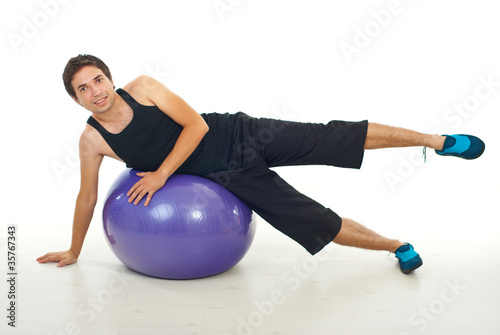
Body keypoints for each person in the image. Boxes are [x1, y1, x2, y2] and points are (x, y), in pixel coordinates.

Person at [37, 54, 485, 274]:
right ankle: (397, 246)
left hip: (241, 133)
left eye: (98, 79)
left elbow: (195, 126)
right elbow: (88, 196)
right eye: (83, 88)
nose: (96, 90)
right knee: (312, 220)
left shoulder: (144, 87)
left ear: (110, 78)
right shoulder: (92, 140)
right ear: (74, 99)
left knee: (333, 137)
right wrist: (75, 250)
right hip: (227, 177)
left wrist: (161, 173)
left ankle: (436, 140)